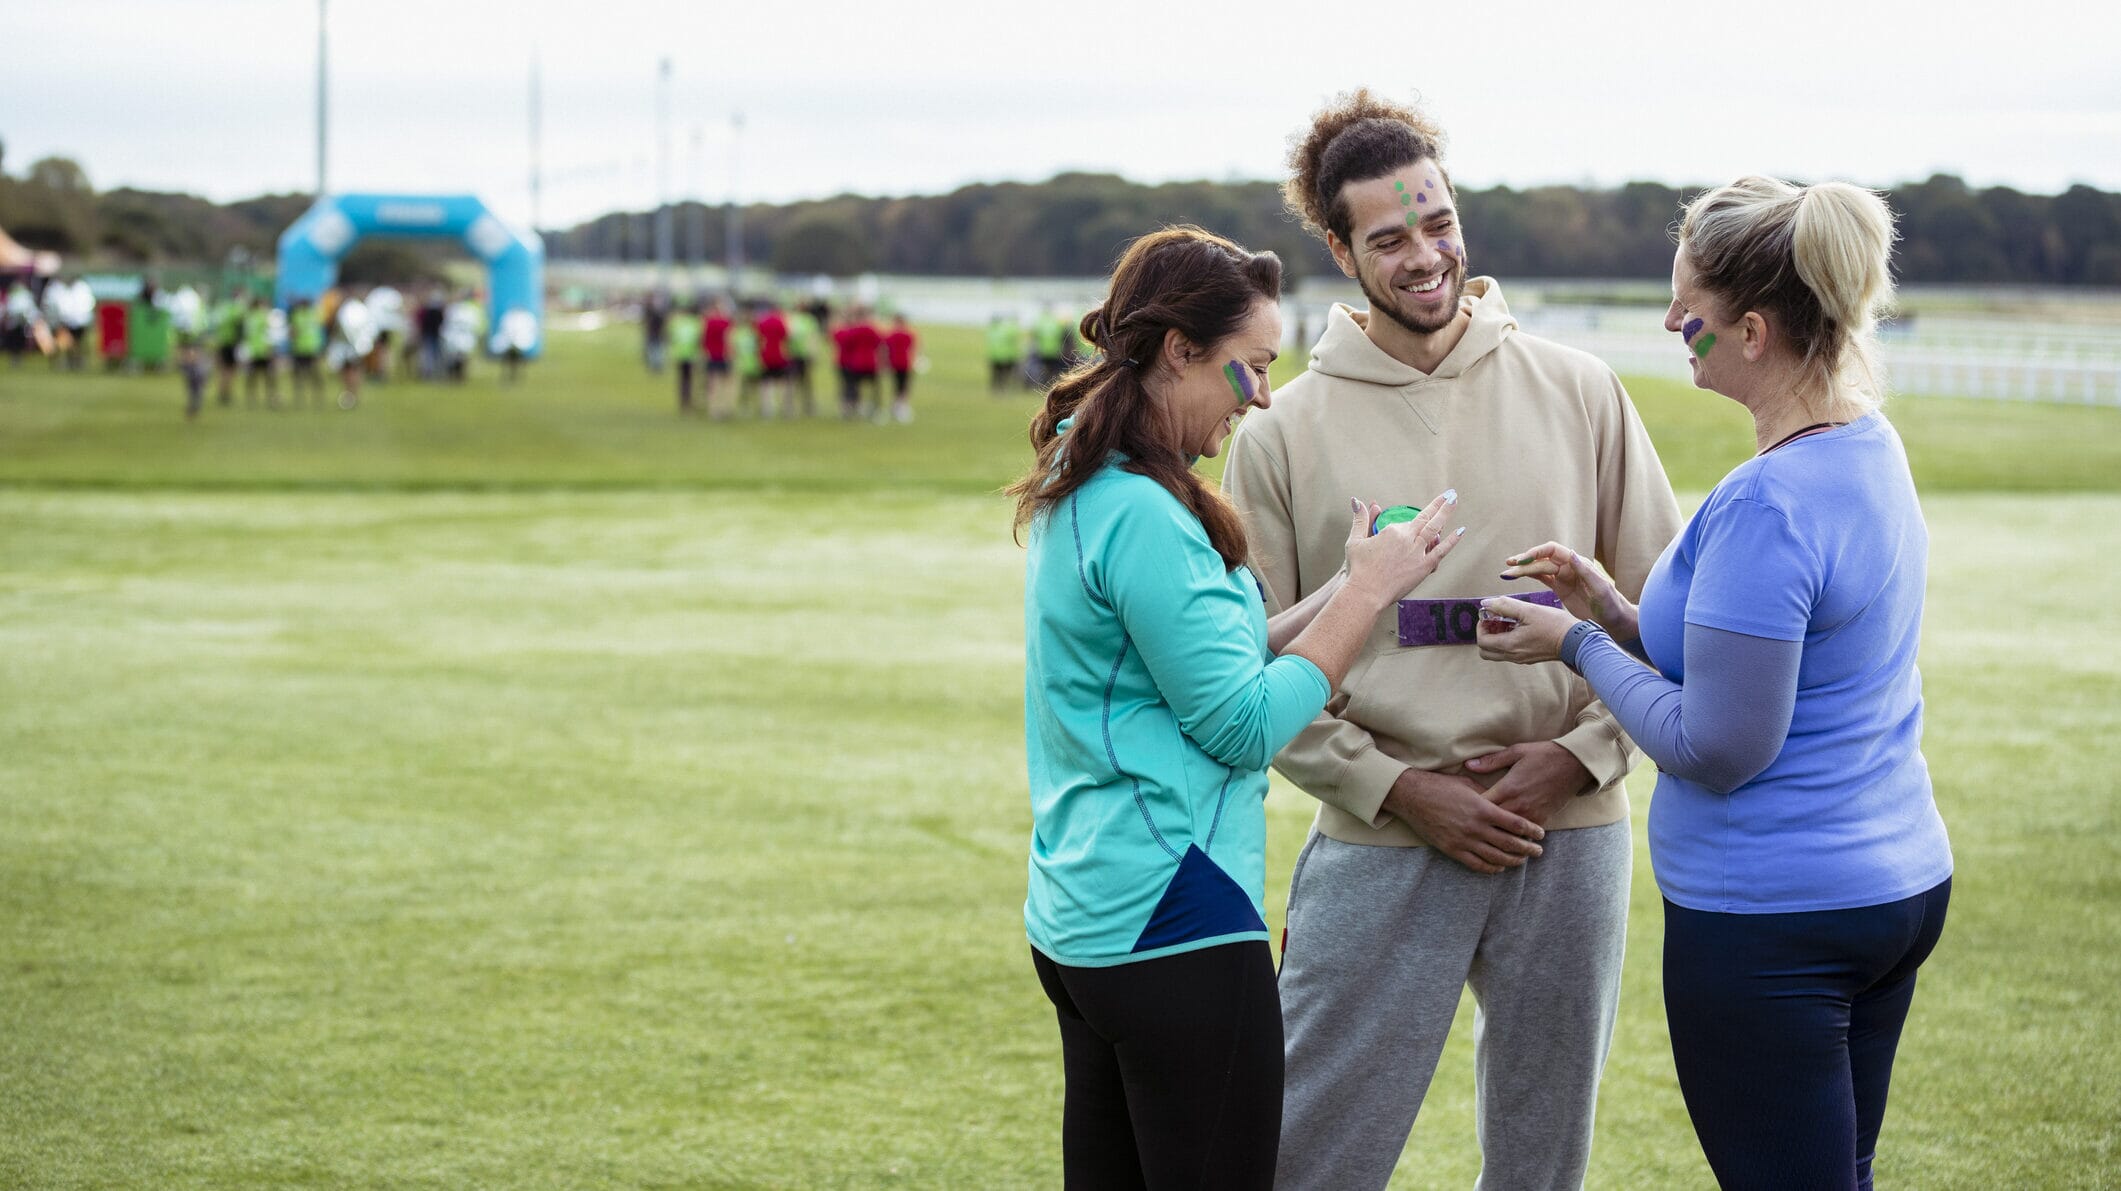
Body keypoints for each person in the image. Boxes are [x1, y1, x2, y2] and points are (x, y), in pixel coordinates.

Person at [1221, 89, 1682, 1191]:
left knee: (1543, 1161)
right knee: (1308, 1157)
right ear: (1338, 248)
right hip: (1383, 840)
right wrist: (1394, 787)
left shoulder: (1583, 388)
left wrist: (1579, 757)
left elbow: (1666, 622)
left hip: (1565, 837)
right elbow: (1248, 671)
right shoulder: (1280, 431)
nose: (1425, 256)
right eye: (1388, 238)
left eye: (1438, 223)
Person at [1476, 177, 1953, 1191]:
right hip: (1893, 886)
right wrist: (1610, 605)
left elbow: (1719, 747)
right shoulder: (1867, 445)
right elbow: (1750, 659)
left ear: (1749, 330)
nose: (1668, 320)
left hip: (1776, 922)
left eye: (1684, 300)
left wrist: (1574, 646)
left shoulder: (1770, 503)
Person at [1010, 225, 1468, 1191]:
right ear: (1178, 349)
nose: (1259, 396)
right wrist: (1364, 598)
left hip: (1089, 915)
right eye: (1247, 368)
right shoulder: (1141, 508)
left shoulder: (1085, 480)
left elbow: (1196, 661)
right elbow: (1243, 724)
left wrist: (1343, 586)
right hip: (1172, 920)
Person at [831, 305, 882, 420]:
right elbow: (879, 342)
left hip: (856, 362)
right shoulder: (870, 329)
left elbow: (845, 343)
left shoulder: (853, 330)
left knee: (851, 386)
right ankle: (874, 408)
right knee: (873, 387)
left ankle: (849, 408)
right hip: (870, 362)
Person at [239, 295, 280, 408]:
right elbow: (270, 334)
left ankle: (251, 399)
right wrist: (272, 349)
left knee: (252, 377)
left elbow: (246, 335)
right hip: (264, 350)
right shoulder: (264, 316)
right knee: (269, 377)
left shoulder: (249, 317)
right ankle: (271, 399)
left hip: (252, 351)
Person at [287, 297, 326, 408]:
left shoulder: (301, 314)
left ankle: (311, 398)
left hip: (307, 348)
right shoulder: (312, 314)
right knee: (309, 375)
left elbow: (292, 332)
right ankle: (312, 398)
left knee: (308, 375)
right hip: (305, 348)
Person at [755, 298, 791, 418]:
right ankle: (784, 407)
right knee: (782, 382)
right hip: (779, 354)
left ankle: (768, 408)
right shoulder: (781, 321)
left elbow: (759, 339)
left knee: (766, 383)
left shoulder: (762, 322)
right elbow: (786, 338)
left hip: (766, 354)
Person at [784, 300, 821, 417]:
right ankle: (789, 406)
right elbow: (786, 336)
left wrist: (813, 352)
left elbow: (813, 337)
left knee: (806, 381)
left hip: (805, 354)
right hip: (793, 354)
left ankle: (808, 405)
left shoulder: (810, 320)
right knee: (791, 380)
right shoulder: (791, 319)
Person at [668, 299, 702, 413]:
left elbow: (672, 337)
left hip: (681, 354)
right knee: (690, 379)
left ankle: (684, 401)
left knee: (683, 379)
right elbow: (699, 339)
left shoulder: (677, 322)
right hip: (690, 354)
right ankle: (689, 401)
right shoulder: (695, 322)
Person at [702, 297, 734, 417]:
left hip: (712, 355)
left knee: (713, 383)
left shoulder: (708, 321)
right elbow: (729, 339)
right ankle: (724, 407)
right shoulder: (726, 322)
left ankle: (714, 409)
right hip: (724, 355)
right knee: (725, 383)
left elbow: (704, 339)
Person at [883, 312, 918, 423]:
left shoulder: (890, 334)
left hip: (894, 363)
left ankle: (896, 406)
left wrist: (885, 362)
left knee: (896, 385)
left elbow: (885, 349)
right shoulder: (909, 334)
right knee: (904, 386)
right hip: (905, 363)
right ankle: (902, 406)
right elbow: (914, 348)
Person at [986, 311, 1023, 394]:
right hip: (1006, 356)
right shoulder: (1007, 330)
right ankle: (1004, 389)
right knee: (1005, 375)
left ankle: (996, 390)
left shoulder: (992, 330)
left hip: (994, 356)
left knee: (997, 375)